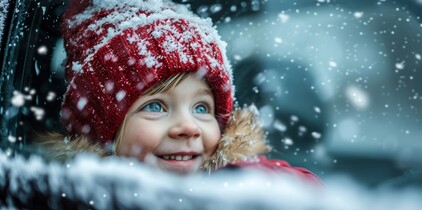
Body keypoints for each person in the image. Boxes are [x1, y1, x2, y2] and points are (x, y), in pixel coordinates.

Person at [38, 0, 320, 184]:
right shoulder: (80, 201)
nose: (189, 128)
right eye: (156, 106)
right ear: (100, 133)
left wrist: (247, 182)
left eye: (201, 108)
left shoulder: (238, 186)